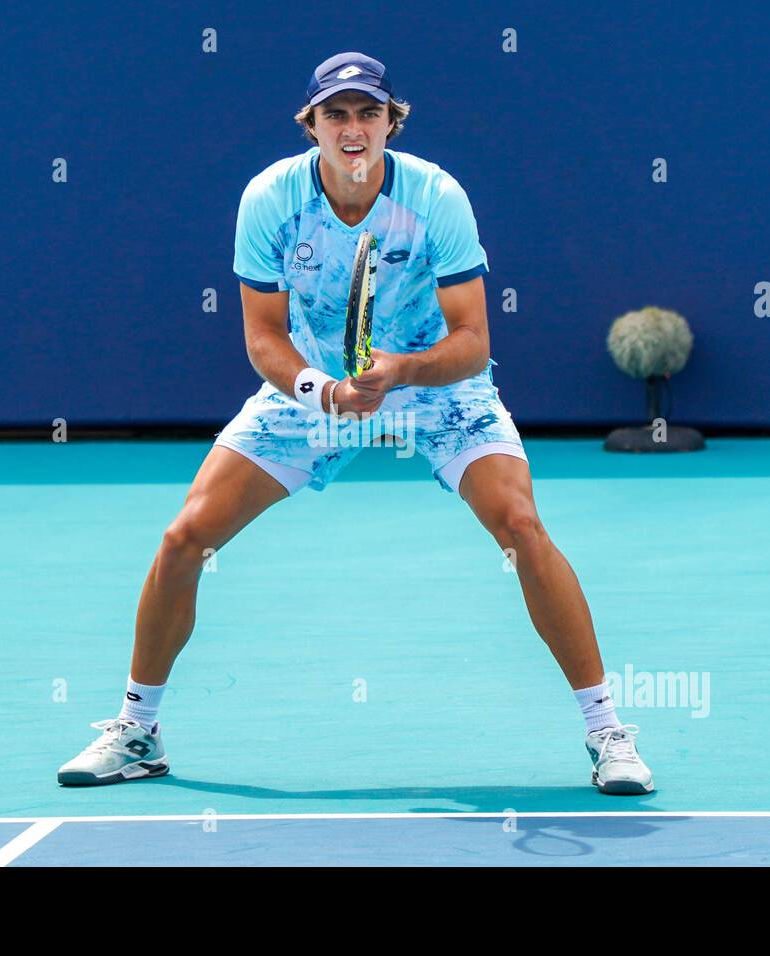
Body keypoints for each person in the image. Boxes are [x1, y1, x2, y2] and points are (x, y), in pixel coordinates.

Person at [58, 52, 654, 795]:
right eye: (335, 114)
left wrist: (400, 370)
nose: (352, 128)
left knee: (521, 526)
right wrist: (323, 391)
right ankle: (137, 731)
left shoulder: (435, 195)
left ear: (390, 123)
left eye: (368, 113)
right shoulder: (270, 199)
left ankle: (607, 734)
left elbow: (473, 341)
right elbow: (263, 339)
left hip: (436, 387)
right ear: (310, 125)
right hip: (312, 390)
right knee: (185, 538)